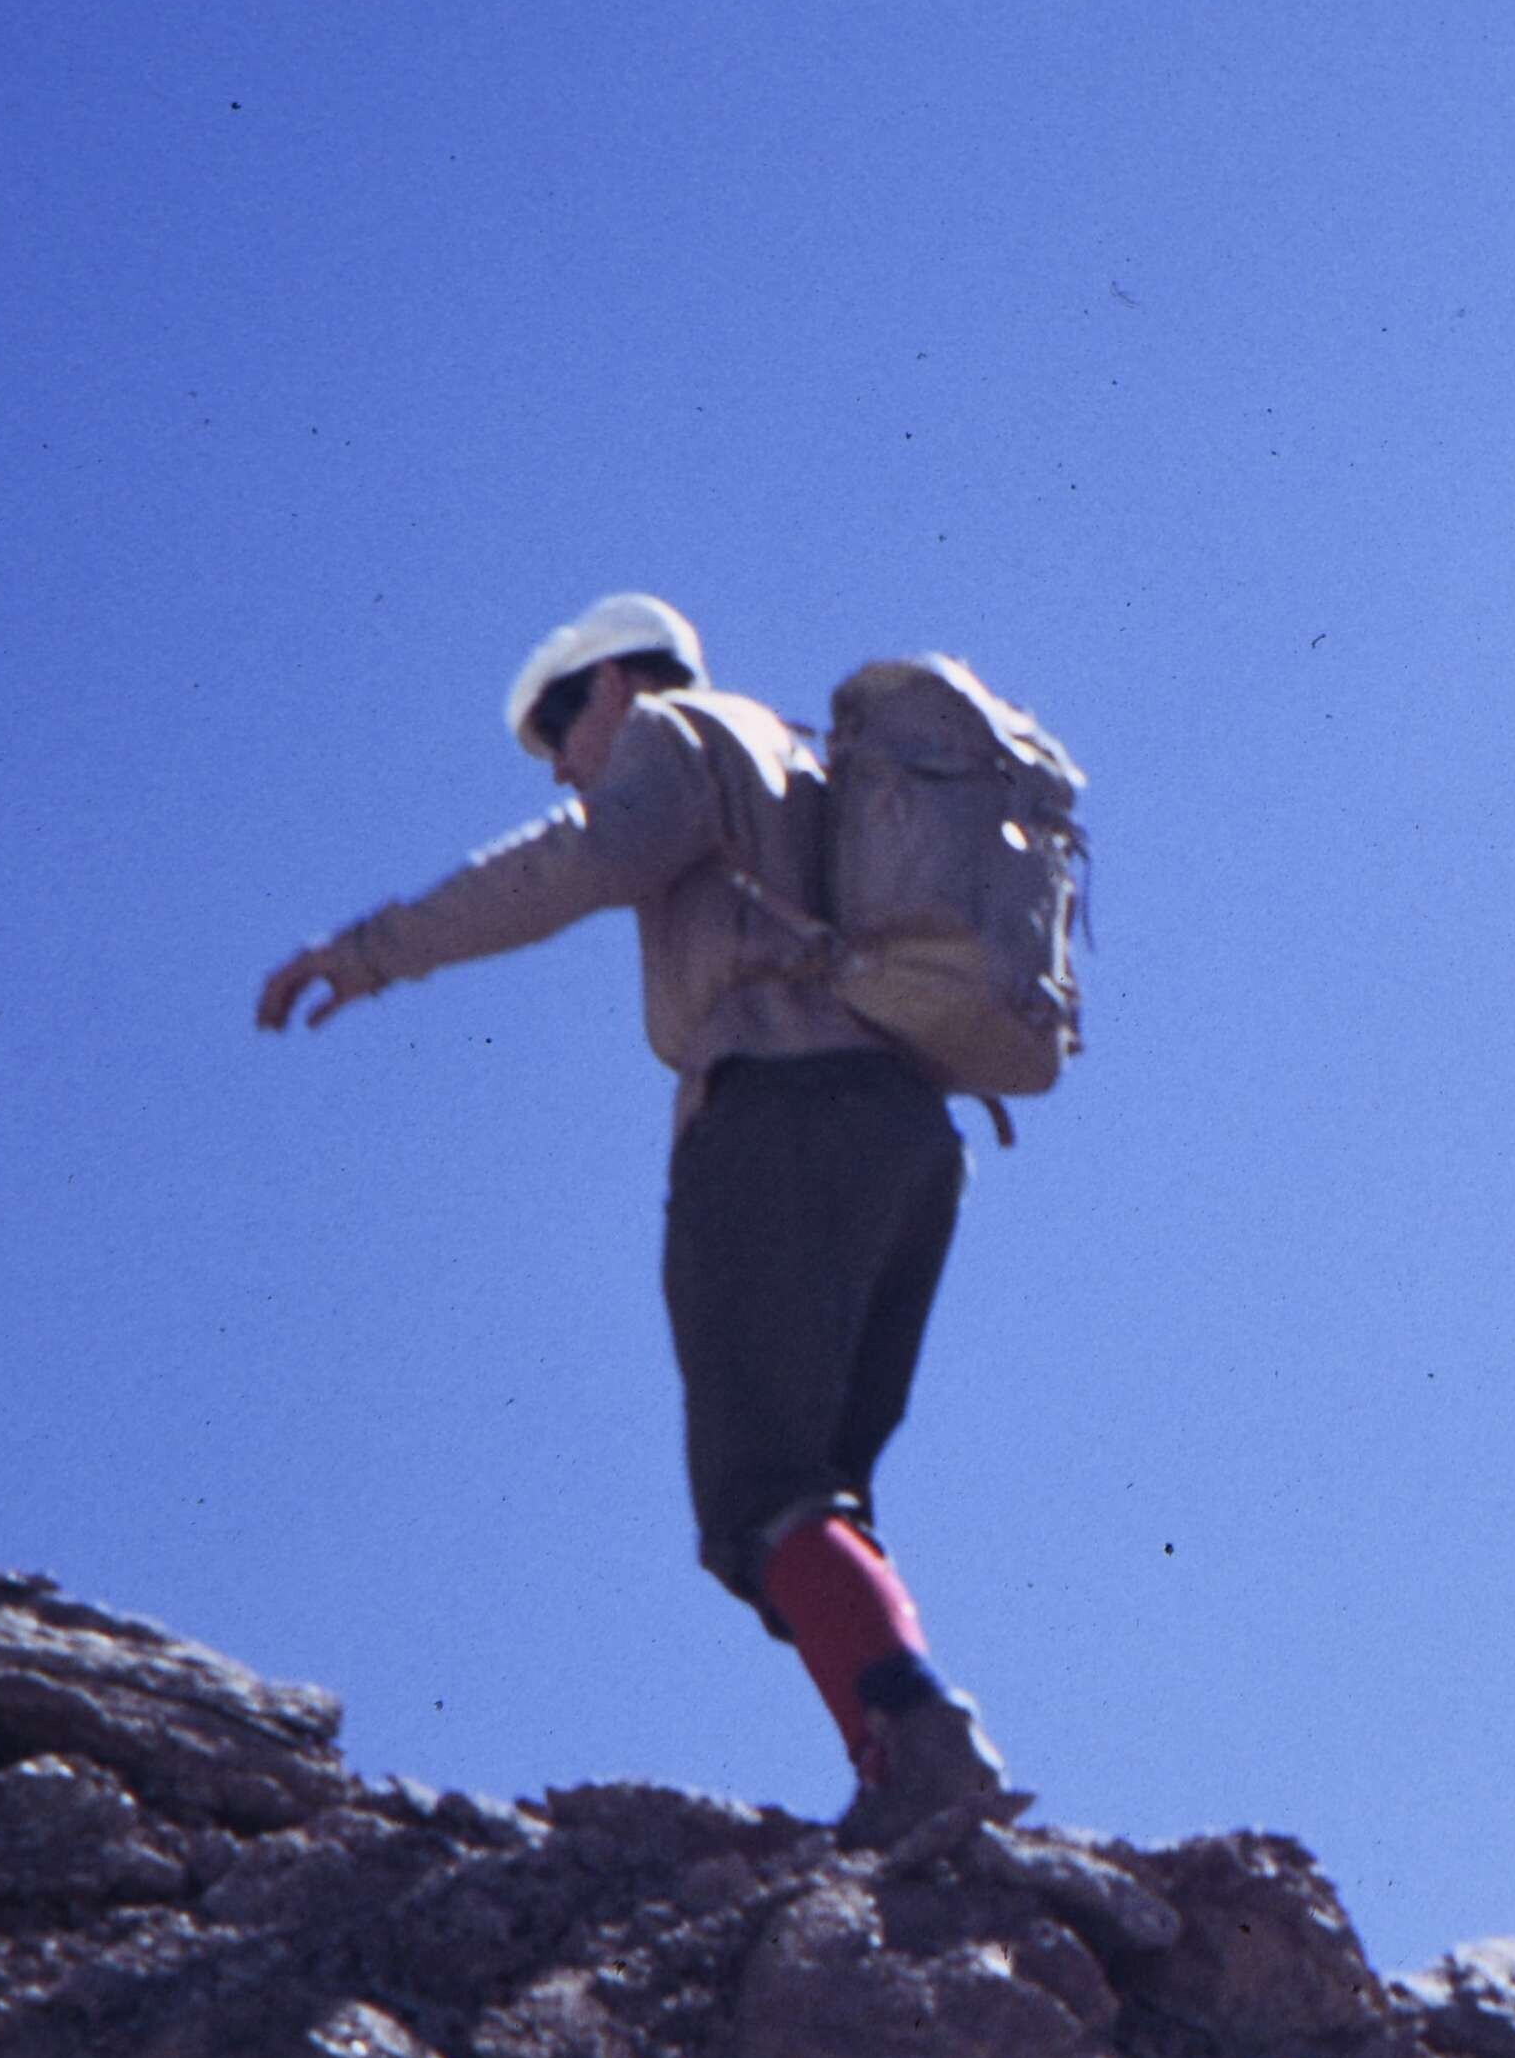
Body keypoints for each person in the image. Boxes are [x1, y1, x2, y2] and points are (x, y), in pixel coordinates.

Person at [256, 590, 1025, 1855]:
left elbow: (583, 859)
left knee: (762, 1492)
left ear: (615, 684)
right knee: (820, 1491)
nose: (564, 768)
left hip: (775, 1121)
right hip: (911, 1136)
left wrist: (373, 949)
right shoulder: (808, 762)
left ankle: (921, 1747)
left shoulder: (677, 733)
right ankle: (904, 1758)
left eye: (560, 731)